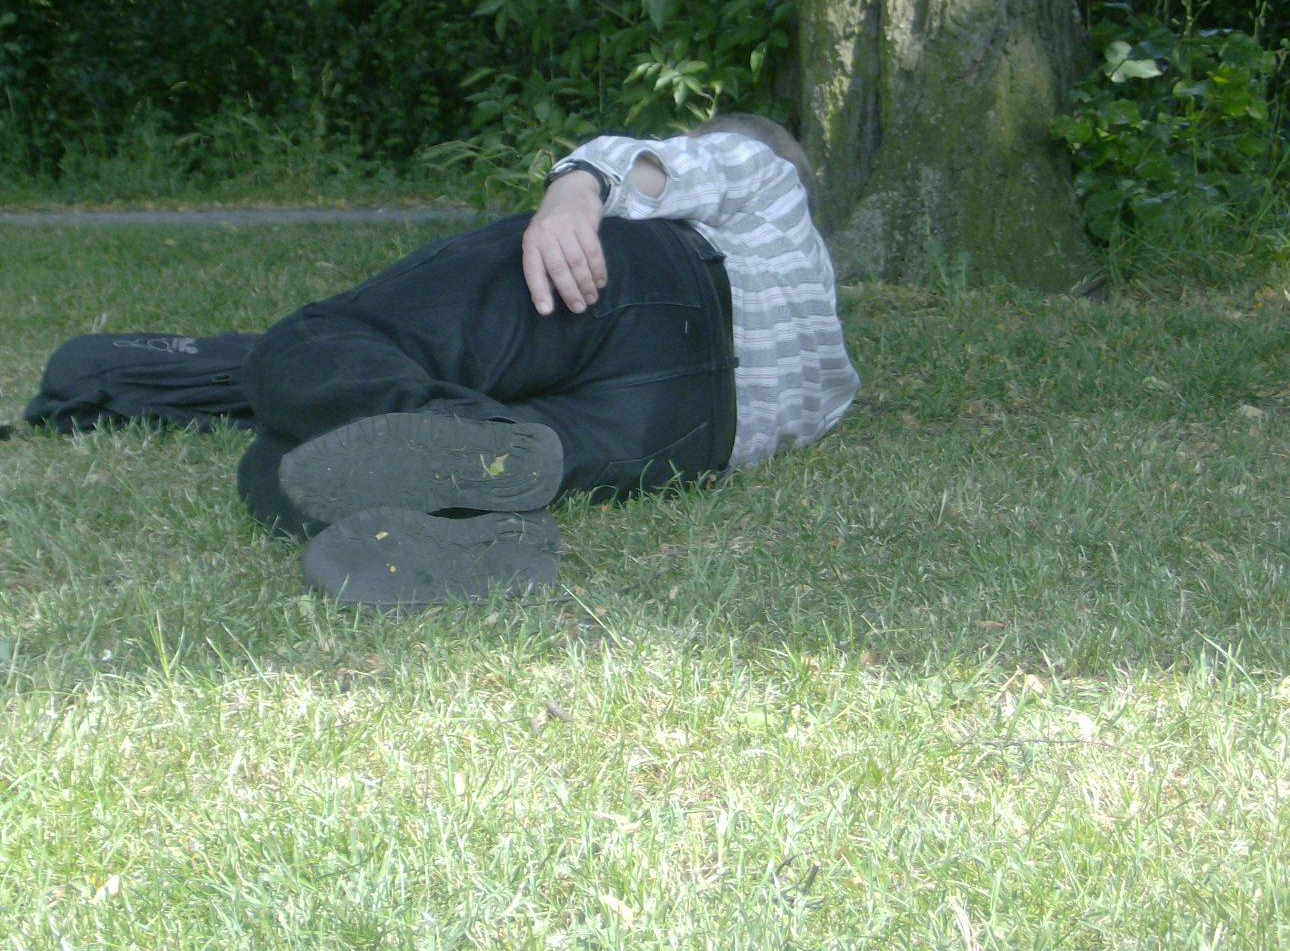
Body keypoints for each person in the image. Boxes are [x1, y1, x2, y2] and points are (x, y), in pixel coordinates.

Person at [236, 113, 859, 607]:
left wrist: (574, 195)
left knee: (313, 340)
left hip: (639, 290)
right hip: (682, 440)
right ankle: (472, 514)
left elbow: (660, 165)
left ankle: (445, 435)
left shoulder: (766, 169)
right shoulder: (836, 383)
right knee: (275, 462)